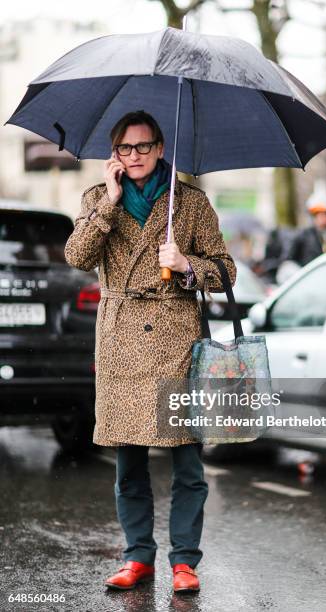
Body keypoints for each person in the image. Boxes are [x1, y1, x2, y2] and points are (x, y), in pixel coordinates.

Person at [64, 111, 236, 593]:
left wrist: (186, 265)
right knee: (129, 460)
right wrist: (111, 205)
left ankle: (184, 561)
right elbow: (77, 257)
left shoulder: (192, 203)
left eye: (143, 147)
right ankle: (137, 555)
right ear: (112, 154)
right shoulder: (99, 199)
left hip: (176, 342)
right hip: (121, 340)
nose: (134, 156)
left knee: (187, 462)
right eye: (125, 148)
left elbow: (226, 273)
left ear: (161, 148)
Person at [287, 203, 326, 267]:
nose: (321, 219)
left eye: (323, 215)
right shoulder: (304, 236)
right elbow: (292, 257)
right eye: (318, 216)